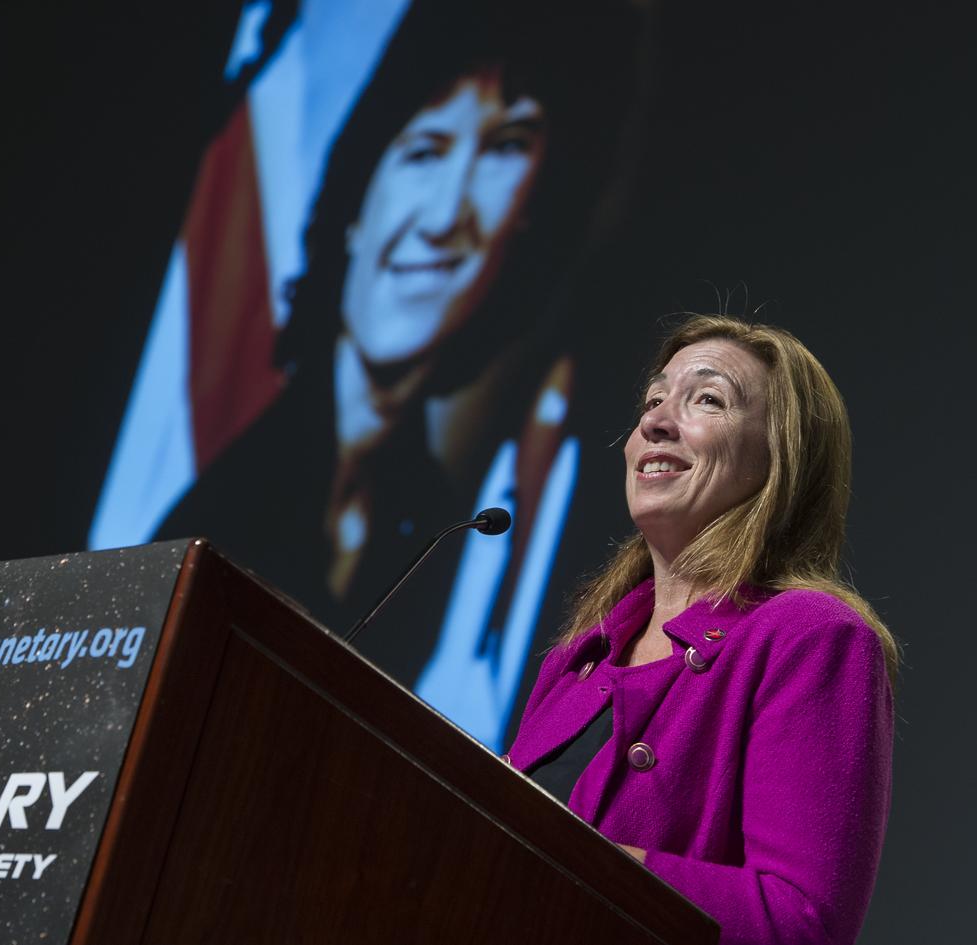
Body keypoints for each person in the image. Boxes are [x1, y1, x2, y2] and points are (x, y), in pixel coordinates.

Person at [155, 1, 644, 749]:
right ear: (356, 194)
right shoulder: (219, 509)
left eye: (505, 148)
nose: (446, 215)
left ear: (532, 225)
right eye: (424, 150)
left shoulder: (444, 523)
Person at [506, 315, 897, 945]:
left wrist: (584, 860)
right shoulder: (578, 659)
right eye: (653, 400)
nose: (655, 422)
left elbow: (801, 923)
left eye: (706, 399)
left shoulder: (813, 638)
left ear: (780, 457)